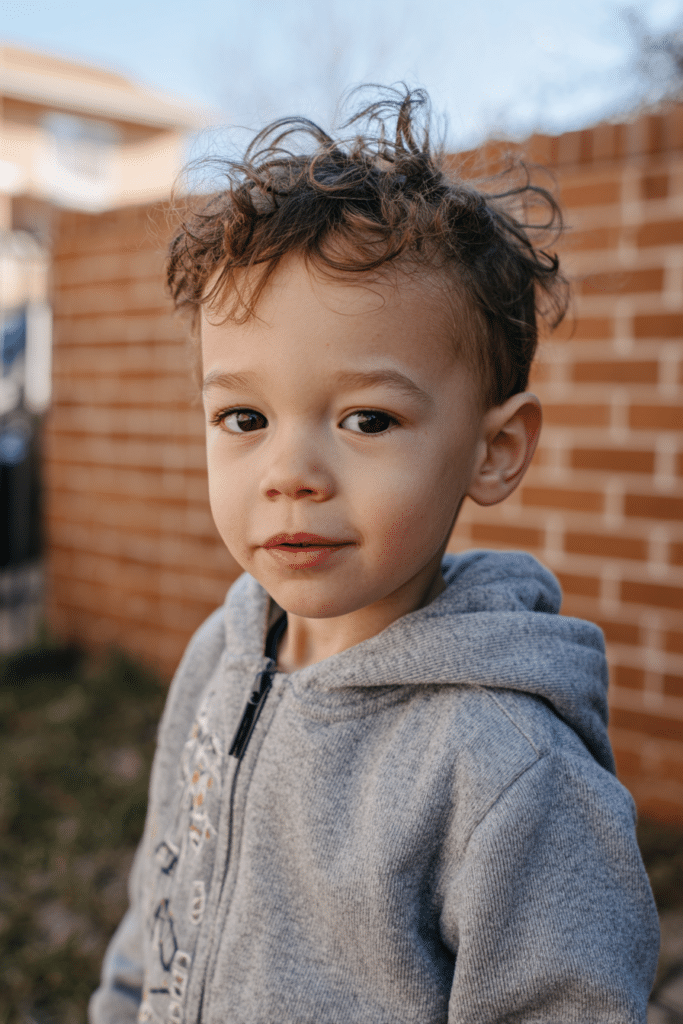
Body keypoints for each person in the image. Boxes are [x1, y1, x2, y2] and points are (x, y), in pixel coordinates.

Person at [90, 88, 659, 1024]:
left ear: (493, 450)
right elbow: (165, 902)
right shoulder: (221, 656)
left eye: (366, 419)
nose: (290, 472)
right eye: (244, 417)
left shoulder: (508, 770)